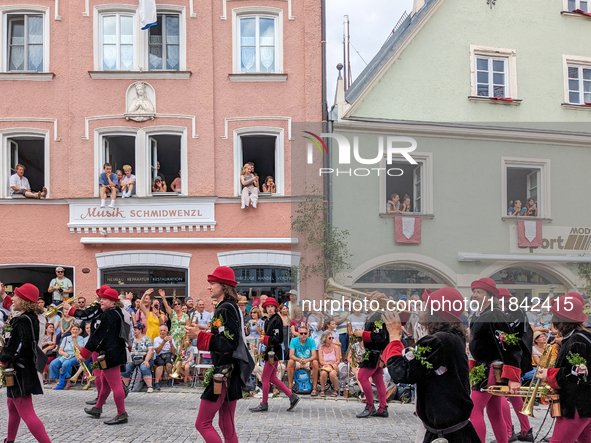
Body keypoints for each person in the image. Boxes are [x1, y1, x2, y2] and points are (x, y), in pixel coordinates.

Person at [383, 287, 480, 442]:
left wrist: (395, 337)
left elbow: (401, 372)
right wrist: (384, 302)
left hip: (447, 435)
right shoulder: (448, 338)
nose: (419, 309)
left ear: (433, 312)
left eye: (423, 306)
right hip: (445, 430)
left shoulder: (439, 341)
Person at [185, 266, 245, 443]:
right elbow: (225, 338)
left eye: (212, 283)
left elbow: (229, 343)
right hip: (231, 370)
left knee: (202, 423)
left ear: (224, 286)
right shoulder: (230, 307)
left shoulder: (225, 309)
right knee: (227, 423)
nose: (209, 287)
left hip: (223, 372)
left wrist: (200, 336)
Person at [469, 278, 522, 443]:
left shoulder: (494, 314)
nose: (475, 295)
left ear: (489, 295)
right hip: (485, 367)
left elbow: (510, 344)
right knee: (495, 412)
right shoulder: (483, 314)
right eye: (474, 292)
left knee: (474, 410)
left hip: (491, 368)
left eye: (479, 292)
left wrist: (513, 377)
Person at [0, 283, 52, 443]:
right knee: (12, 406)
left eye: (15, 295)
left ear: (23, 300)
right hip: (26, 369)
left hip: (19, 371)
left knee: (28, 414)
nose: (13, 298)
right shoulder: (33, 318)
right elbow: (11, 336)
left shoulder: (21, 320)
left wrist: (2, 359)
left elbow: (12, 346)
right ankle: (10, 440)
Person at [536, 293, 591, 443]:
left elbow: (575, 376)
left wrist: (549, 374)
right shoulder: (577, 337)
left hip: (577, 406)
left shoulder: (576, 341)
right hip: (583, 403)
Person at [80, 288, 129, 425]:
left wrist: (85, 353)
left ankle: (121, 413)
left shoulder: (108, 315)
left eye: (104, 299)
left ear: (112, 301)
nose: (101, 300)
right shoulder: (118, 312)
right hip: (116, 351)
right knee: (106, 382)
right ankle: (97, 408)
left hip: (109, 353)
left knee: (116, 385)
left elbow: (98, 336)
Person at [496, 288, 534, 442]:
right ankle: (525, 430)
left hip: (510, 359)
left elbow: (506, 338)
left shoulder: (510, 313)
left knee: (503, 394)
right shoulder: (517, 312)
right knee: (513, 395)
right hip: (518, 358)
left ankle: (508, 430)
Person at [250, 297, 299, 412]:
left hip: (273, 352)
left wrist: (265, 339)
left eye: (272, 306)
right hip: (270, 351)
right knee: (272, 377)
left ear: (275, 308)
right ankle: (292, 396)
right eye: (268, 307)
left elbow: (278, 339)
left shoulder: (276, 320)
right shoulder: (269, 320)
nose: (270, 308)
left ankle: (264, 403)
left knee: (264, 377)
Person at [63, 285, 106, 407]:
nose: (98, 300)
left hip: (99, 348)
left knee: (100, 373)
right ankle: (100, 397)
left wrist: (70, 309)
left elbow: (85, 315)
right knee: (99, 373)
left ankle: (101, 399)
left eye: (100, 297)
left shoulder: (99, 309)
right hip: (101, 348)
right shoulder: (113, 311)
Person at [352, 308, 390, 418]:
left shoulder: (379, 317)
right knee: (378, 380)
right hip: (375, 352)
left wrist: (363, 334)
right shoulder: (375, 316)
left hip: (374, 353)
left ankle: (370, 406)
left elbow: (380, 338)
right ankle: (382, 407)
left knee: (362, 377)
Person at [48, 324, 84, 390]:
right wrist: (64, 353)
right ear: (71, 330)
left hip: (75, 356)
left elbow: (79, 349)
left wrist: (75, 339)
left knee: (66, 363)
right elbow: (60, 350)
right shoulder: (66, 338)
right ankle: (59, 381)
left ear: (79, 331)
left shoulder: (81, 338)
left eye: (76, 329)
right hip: (65, 355)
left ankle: (67, 381)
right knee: (53, 364)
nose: (75, 331)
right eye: (73, 329)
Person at [122, 322, 155, 393]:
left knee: (144, 368)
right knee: (125, 369)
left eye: (136, 329)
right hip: (132, 359)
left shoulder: (147, 338)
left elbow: (150, 350)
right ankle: (125, 387)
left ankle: (150, 387)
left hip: (144, 358)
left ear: (140, 330)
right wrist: (127, 360)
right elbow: (126, 349)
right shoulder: (130, 339)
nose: (134, 331)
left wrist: (146, 360)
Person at [287, 326, 319, 395]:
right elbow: (291, 355)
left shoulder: (311, 341)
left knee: (315, 362)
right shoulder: (294, 340)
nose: (303, 335)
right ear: (298, 334)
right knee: (290, 362)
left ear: (308, 334)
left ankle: (315, 387)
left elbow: (314, 355)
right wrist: (299, 359)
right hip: (297, 360)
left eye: (305, 333)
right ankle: (290, 387)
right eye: (301, 333)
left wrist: (306, 360)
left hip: (308, 360)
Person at [318, 331, 341, 397]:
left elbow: (338, 360)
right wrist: (331, 364)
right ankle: (322, 389)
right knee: (323, 373)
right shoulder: (321, 348)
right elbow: (321, 361)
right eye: (330, 338)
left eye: (332, 338)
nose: (332, 339)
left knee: (332, 373)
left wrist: (333, 365)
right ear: (325, 339)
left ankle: (335, 389)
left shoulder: (336, 347)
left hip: (333, 367)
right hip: (325, 366)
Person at [153, 325, 177, 389]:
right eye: (161, 330)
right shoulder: (156, 339)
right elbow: (157, 351)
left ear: (167, 331)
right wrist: (163, 342)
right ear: (159, 331)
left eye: (164, 330)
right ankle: (156, 382)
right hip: (159, 355)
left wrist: (171, 342)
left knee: (169, 364)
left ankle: (169, 379)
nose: (163, 332)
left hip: (169, 354)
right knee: (160, 365)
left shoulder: (171, 338)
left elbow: (173, 352)